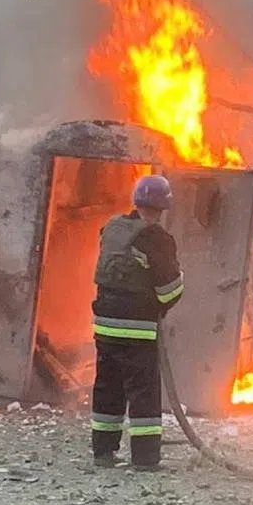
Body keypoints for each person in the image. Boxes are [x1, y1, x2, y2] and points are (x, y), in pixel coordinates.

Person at [90, 174, 184, 470]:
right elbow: (170, 290)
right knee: (143, 392)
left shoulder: (113, 227)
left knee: (107, 387)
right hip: (137, 329)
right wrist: (163, 300)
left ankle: (103, 452)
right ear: (163, 205)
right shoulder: (156, 238)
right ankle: (145, 458)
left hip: (105, 324)